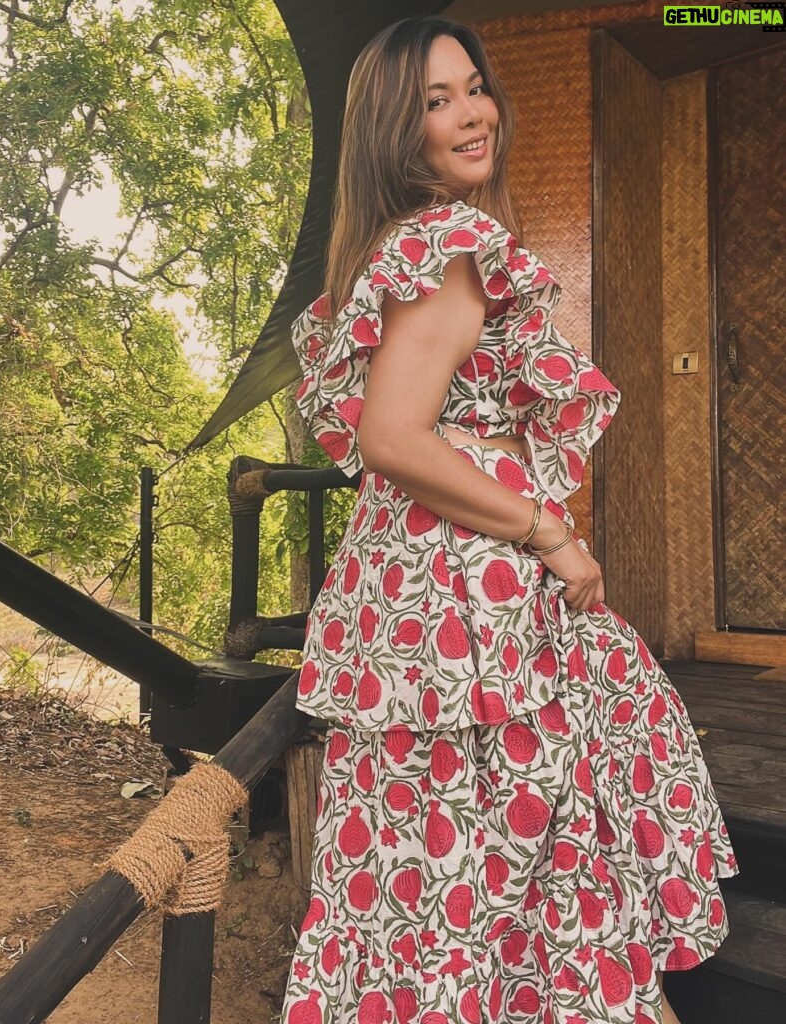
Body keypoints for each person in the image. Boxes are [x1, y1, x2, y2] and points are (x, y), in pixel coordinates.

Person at [280, 15, 737, 1024]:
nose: (471, 112)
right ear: (396, 134)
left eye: (473, 86)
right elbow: (396, 437)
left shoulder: (390, 250)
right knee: (525, 841)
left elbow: (381, 439)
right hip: (472, 592)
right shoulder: (448, 242)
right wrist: (547, 528)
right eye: (434, 102)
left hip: (419, 591)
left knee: (445, 856)